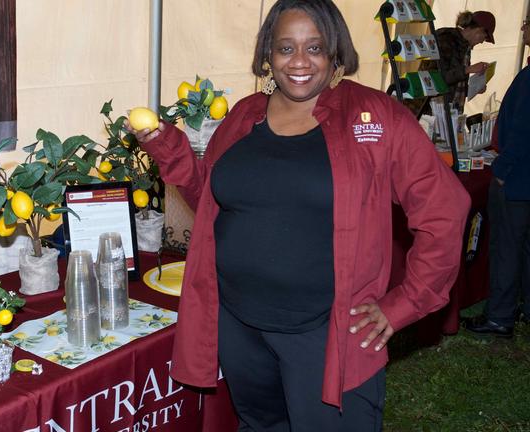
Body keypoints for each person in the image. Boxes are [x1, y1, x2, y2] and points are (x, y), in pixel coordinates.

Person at [128, 0, 470, 430]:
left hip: (324, 336)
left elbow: (445, 211)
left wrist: (405, 303)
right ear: (267, 56)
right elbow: (215, 202)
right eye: (285, 48)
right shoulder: (243, 117)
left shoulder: (376, 117)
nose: (300, 61)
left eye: (315, 47)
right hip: (240, 327)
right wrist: (170, 150)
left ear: (335, 53)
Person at [466, 16, 530, 338]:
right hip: (523, 178)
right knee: (525, 248)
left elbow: (523, 131)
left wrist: (502, 170)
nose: (522, 29)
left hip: (518, 179)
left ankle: (500, 317)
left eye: (528, 23)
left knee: (506, 247)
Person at [419, 10, 496, 112]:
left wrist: (473, 89)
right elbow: (434, 79)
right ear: (479, 30)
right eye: (485, 37)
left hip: (445, 111)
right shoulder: (445, 39)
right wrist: (468, 70)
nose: (482, 42)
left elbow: (453, 86)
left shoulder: (464, 47)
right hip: (427, 110)